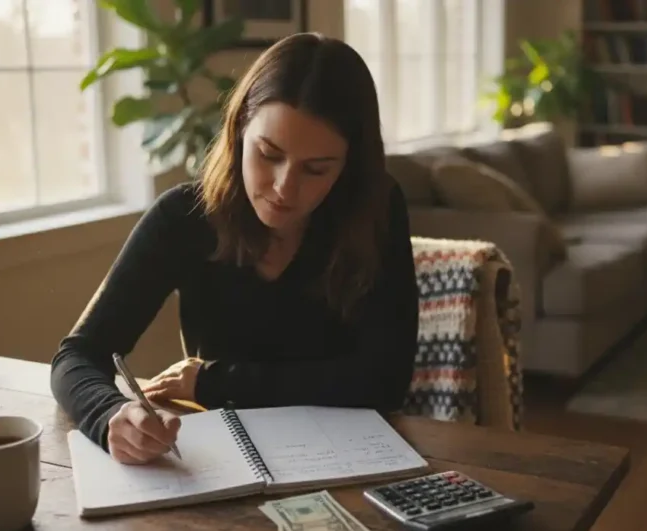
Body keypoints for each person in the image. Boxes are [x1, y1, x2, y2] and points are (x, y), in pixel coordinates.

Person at [50, 33, 419, 465]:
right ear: (240, 128)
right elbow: (76, 357)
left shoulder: (376, 209)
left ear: (350, 164)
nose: (285, 188)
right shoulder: (183, 218)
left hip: (350, 463)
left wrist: (213, 383)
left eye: (316, 169)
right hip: (221, 466)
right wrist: (110, 413)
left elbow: (386, 380)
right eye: (268, 154)